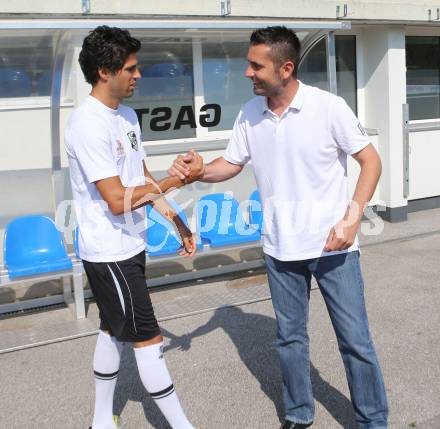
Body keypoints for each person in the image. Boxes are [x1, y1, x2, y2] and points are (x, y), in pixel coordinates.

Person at [169, 26, 388, 429]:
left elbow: (370, 161)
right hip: (280, 249)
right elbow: (231, 164)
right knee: (289, 341)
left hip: (332, 247)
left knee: (355, 342)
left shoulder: (328, 107)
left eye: (256, 66)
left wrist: (352, 218)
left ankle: (373, 421)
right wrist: (199, 172)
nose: (248, 73)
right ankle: (299, 415)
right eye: (248, 65)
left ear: (286, 68)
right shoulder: (251, 114)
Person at [65, 26, 203, 429]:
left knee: (112, 329)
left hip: (131, 244)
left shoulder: (125, 116)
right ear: (104, 72)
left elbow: (141, 182)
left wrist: (176, 219)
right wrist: (175, 180)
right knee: (148, 338)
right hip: (109, 252)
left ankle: (100, 420)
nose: (138, 75)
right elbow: (115, 198)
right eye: (130, 68)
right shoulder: (88, 124)